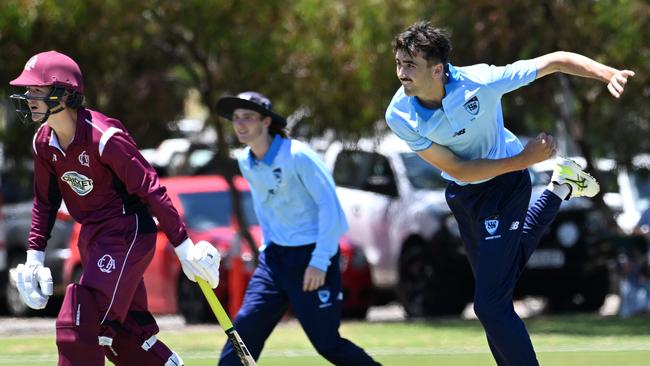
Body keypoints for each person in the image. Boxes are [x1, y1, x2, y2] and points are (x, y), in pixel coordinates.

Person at [386, 21, 634, 365]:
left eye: (410, 65)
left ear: (438, 69)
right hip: (463, 194)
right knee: (497, 291)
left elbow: (555, 60)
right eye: (398, 63)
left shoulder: (481, 80)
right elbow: (458, 169)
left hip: (506, 187)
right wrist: (525, 158)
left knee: (490, 304)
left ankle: (559, 187)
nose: (401, 73)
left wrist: (606, 74)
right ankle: (560, 186)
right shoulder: (399, 113)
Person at [8, 50, 221, 366]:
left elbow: (151, 188)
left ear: (65, 93)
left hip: (127, 231)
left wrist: (183, 247)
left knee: (79, 322)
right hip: (91, 235)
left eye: (37, 89)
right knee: (124, 339)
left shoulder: (104, 137)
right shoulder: (43, 141)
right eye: (27, 90)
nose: (29, 96)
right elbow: (44, 201)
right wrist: (34, 258)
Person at [215, 91, 381, 366]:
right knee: (244, 330)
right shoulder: (246, 160)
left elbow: (331, 209)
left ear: (266, 122)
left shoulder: (298, 156)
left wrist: (319, 261)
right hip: (274, 260)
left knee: (327, 343)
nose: (240, 125)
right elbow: (264, 207)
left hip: (311, 259)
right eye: (236, 119)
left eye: (248, 117)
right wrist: (267, 247)